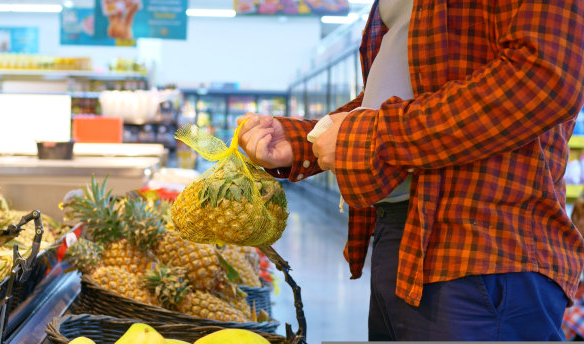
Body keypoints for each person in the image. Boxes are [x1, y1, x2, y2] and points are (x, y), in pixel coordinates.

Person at [237, 0, 584, 340]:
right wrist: (304, 140)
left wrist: (371, 136)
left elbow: (542, 79)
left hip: (481, 246)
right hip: (402, 234)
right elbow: (404, 95)